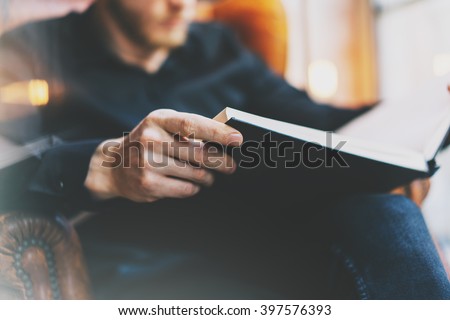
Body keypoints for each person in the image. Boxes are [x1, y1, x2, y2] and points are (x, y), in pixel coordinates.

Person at [0, 0, 449, 299]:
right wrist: (104, 165)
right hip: (141, 271)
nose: (182, 4)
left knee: (386, 212)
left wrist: (414, 121)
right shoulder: (28, 53)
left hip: (265, 246)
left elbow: (317, 121)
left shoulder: (217, 46)